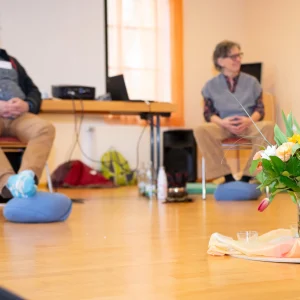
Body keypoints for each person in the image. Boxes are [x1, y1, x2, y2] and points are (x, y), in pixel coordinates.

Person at [193, 40, 274, 184]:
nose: (238, 59)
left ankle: (249, 175)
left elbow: (260, 110)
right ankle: (225, 175)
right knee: (200, 130)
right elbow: (208, 114)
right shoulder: (210, 86)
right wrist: (223, 122)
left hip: (247, 124)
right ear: (220, 61)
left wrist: (249, 120)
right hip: (222, 125)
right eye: (233, 56)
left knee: (268, 127)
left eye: (239, 55)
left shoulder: (252, 82)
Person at [0, 48, 55, 199]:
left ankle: (26, 180)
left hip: (19, 115)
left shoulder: (11, 61)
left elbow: (33, 91)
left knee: (45, 128)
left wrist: (27, 105)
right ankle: (8, 184)